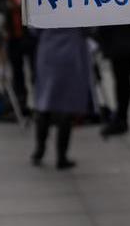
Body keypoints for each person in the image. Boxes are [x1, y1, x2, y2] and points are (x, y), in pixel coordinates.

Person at [32, 26, 92, 169]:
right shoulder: (78, 6)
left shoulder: (45, 5)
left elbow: (33, 29)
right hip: (71, 53)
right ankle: (61, 156)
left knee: (44, 103)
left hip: (48, 51)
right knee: (66, 105)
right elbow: (89, 29)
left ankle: (39, 150)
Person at [97, 23, 130, 136]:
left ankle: (121, 118)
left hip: (121, 40)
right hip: (124, 38)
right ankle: (121, 116)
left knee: (122, 79)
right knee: (122, 79)